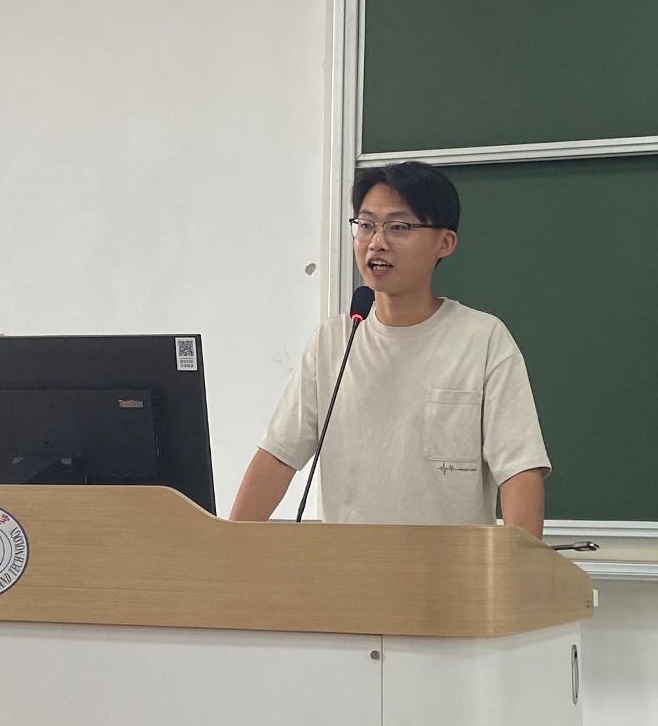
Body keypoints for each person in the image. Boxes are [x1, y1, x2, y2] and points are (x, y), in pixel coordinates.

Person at [229, 160, 550, 537]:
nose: (376, 242)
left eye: (398, 227)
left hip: (450, 571)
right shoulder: (334, 341)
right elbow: (278, 456)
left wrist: (520, 566)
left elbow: (519, 470)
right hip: (348, 567)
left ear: (444, 243)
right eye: (366, 225)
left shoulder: (482, 339)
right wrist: (226, 549)